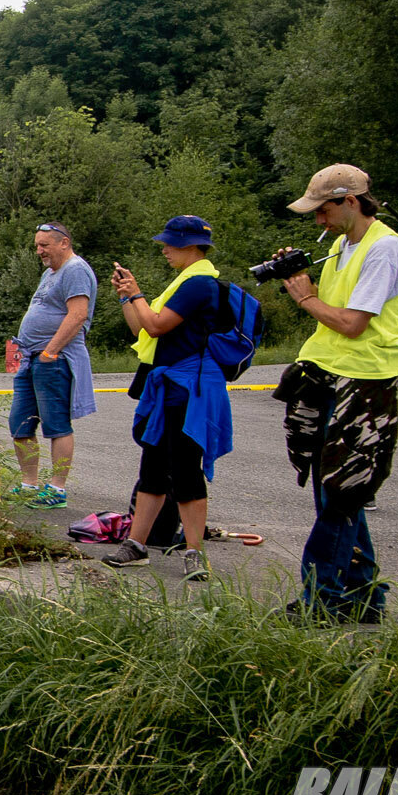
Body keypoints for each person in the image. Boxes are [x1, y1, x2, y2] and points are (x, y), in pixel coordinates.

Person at [272, 164, 398, 624]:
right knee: (335, 491)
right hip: (329, 373)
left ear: (351, 201)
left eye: (324, 210)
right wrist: (303, 280)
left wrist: (305, 299)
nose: (318, 221)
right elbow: (335, 313)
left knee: (341, 494)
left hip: (367, 379)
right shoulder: (341, 244)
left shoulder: (386, 250)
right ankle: (363, 598)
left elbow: (354, 324)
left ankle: (322, 601)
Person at [103, 215, 233, 584]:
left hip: (190, 388)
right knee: (154, 466)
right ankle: (136, 545)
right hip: (167, 384)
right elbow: (141, 326)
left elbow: (157, 325)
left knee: (187, 470)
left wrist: (138, 293)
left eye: (170, 244)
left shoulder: (199, 284)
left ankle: (195, 553)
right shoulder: (183, 281)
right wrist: (128, 294)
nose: (163, 249)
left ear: (192, 246)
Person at [7, 222, 97, 511]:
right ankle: (28, 485)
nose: (39, 250)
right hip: (31, 357)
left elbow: (78, 314)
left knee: (56, 424)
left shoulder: (76, 270)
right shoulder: (50, 273)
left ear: (64, 243)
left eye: (44, 244)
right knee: (20, 423)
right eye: (37, 245)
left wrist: (50, 352)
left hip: (55, 359)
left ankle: (56, 488)